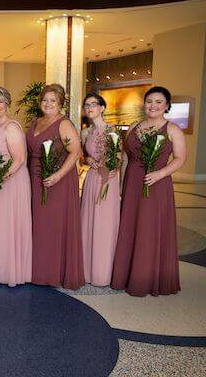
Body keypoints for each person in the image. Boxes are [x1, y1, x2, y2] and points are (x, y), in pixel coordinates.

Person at [111, 86, 186, 296]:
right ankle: (126, 275)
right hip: (133, 183)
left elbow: (180, 158)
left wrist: (159, 174)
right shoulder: (135, 126)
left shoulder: (172, 129)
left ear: (167, 106)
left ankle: (146, 278)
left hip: (156, 184)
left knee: (149, 229)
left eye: (158, 102)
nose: (153, 105)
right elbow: (126, 157)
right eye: (149, 101)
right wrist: (121, 183)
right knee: (131, 227)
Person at [26, 83, 84, 290]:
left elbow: (75, 152)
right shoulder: (35, 122)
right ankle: (35, 270)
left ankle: (51, 273)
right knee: (37, 225)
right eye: (45, 100)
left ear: (60, 103)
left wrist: (57, 176)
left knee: (51, 227)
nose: (48, 103)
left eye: (53, 100)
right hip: (34, 178)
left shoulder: (64, 124)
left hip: (56, 181)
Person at [0, 87, 32, 289]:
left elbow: (19, 160)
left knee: (3, 225)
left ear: (7, 104)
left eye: (0, 101)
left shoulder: (11, 127)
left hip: (10, 183)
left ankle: (1, 272)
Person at [80, 94, 120, 286]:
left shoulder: (113, 130)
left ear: (102, 107)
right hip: (92, 178)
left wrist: (112, 166)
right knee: (88, 222)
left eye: (93, 104)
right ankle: (87, 271)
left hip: (108, 180)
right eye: (86, 105)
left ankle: (103, 272)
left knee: (104, 223)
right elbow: (84, 157)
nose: (89, 108)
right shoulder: (85, 133)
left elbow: (119, 156)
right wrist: (89, 161)